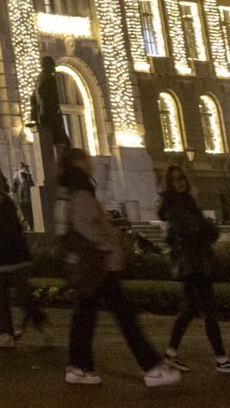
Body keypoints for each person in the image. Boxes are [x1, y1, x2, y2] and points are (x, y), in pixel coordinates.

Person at [56, 148, 179, 388]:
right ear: (78, 164)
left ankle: (78, 367)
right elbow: (86, 227)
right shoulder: (81, 192)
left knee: (84, 317)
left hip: (87, 266)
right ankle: (151, 368)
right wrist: (108, 246)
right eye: (86, 160)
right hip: (99, 264)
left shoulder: (67, 193)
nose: (91, 163)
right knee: (125, 317)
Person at [157, 165, 230, 374]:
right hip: (194, 264)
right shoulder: (178, 206)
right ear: (169, 184)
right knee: (209, 311)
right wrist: (207, 226)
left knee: (189, 310)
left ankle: (171, 354)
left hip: (192, 263)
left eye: (182, 178)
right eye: (175, 180)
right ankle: (222, 360)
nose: (180, 182)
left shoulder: (182, 203)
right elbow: (200, 230)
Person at [0, 173, 44, 348]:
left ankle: (41, 325)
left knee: (23, 299)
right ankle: (6, 335)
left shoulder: (6, 206)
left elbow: (10, 232)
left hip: (15, 261)